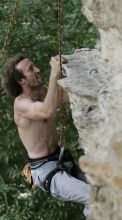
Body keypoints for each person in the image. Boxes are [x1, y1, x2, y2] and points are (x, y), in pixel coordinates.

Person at [3, 54, 89, 216]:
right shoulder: (21, 104)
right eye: (31, 69)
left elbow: (69, 96)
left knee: (104, 189)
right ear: (21, 81)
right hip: (45, 170)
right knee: (93, 197)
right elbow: (47, 111)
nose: (37, 69)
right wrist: (54, 74)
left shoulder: (42, 93)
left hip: (61, 159)